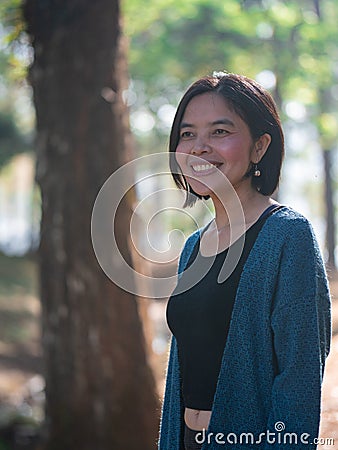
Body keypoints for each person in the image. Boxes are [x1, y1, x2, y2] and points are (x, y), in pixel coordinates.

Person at [158, 72, 331, 449]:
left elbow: (298, 381)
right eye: (188, 134)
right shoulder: (192, 247)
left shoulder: (288, 236)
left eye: (220, 132)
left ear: (260, 146)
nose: (199, 147)